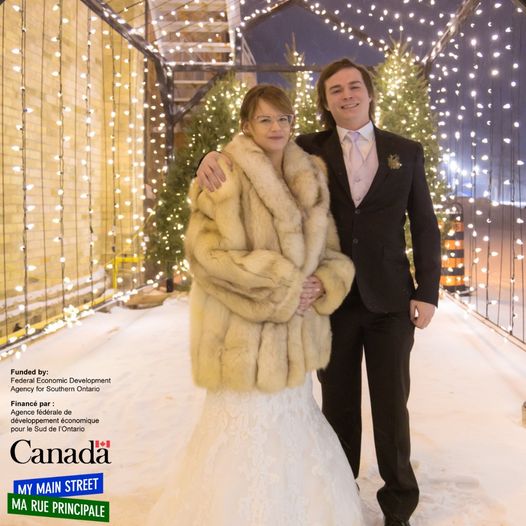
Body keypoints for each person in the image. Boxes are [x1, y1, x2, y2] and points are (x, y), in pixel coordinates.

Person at [197, 59, 442, 526]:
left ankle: (398, 509)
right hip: (331, 302)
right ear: (325, 102)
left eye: (354, 87)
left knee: (392, 406)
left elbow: (424, 224)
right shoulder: (306, 148)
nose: (346, 95)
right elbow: (251, 149)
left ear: (369, 93)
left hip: (391, 300)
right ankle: (340, 498)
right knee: (339, 407)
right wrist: (207, 158)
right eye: (335, 91)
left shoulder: (405, 152)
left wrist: (427, 291)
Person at [148, 84, 364, 526]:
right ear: (246, 124)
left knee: (293, 430)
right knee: (240, 439)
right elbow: (204, 254)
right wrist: (284, 284)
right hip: (240, 340)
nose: (276, 127)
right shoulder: (223, 174)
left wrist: (323, 282)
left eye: (283, 118)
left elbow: (333, 254)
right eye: (264, 119)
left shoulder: (312, 174)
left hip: (296, 342)